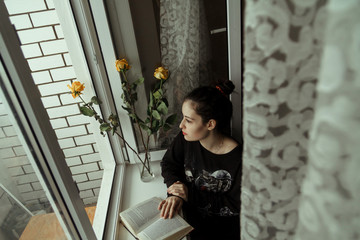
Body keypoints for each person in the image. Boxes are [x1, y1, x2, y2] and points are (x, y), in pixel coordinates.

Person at [158, 80, 241, 239]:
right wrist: (176, 191)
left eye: (188, 120)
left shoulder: (239, 160)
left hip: (223, 233)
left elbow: (235, 206)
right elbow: (169, 164)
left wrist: (188, 194)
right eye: (183, 118)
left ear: (210, 124)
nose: (181, 125)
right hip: (189, 224)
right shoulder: (186, 139)